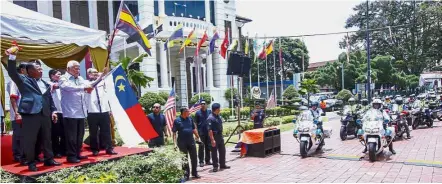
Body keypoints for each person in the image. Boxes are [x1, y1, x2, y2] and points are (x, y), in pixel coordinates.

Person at [6, 48, 61, 171]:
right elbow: (11, 72)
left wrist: (54, 111)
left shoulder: (46, 84)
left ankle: (49, 159)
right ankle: (31, 162)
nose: (41, 70)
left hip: (45, 114)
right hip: (30, 114)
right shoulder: (23, 80)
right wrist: (12, 57)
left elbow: (49, 99)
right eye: (38, 69)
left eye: (41, 68)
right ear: (30, 71)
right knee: (30, 140)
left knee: (47, 138)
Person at [59, 60, 94, 163]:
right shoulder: (63, 78)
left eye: (79, 68)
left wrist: (100, 78)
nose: (78, 70)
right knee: (71, 137)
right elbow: (69, 87)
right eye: (75, 68)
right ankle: (71, 156)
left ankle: (78, 153)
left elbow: (89, 85)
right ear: (68, 69)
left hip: (81, 111)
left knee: (80, 135)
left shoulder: (80, 78)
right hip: (70, 112)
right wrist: (83, 87)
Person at [86, 68, 117, 156]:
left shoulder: (103, 83)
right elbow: (92, 86)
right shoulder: (86, 83)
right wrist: (100, 77)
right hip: (92, 111)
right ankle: (95, 149)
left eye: (96, 72)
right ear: (89, 74)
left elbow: (107, 95)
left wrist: (110, 109)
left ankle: (109, 148)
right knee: (93, 132)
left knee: (106, 131)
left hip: (104, 110)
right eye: (93, 72)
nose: (96, 74)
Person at [173, 107, 201, 180]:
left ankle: (194, 173)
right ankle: (186, 174)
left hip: (191, 141)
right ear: (183, 112)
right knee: (184, 159)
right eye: (187, 111)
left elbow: (193, 129)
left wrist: (198, 137)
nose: (189, 112)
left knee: (194, 158)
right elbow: (174, 133)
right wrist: (175, 144)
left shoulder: (190, 119)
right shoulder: (177, 120)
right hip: (182, 142)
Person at [7, 63, 26, 162]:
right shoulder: (15, 81)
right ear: (22, 70)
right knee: (19, 135)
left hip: (26, 114)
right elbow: (13, 98)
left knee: (24, 135)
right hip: (18, 113)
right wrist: (17, 112)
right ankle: (18, 156)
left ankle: (25, 154)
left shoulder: (25, 80)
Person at [208, 103, 230, 172]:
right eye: (219, 108)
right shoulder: (210, 118)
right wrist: (212, 140)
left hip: (220, 136)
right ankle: (215, 166)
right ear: (216, 109)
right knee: (214, 152)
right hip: (214, 137)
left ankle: (222, 164)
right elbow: (209, 130)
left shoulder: (218, 116)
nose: (220, 110)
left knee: (222, 151)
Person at [194, 100, 212, 167]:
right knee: (201, 147)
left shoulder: (209, 112)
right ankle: (201, 161)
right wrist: (196, 133)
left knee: (208, 147)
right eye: (201, 104)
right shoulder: (198, 113)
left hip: (208, 132)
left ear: (206, 104)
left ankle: (207, 160)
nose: (203, 105)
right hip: (201, 132)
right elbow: (195, 123)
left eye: (204, 104)